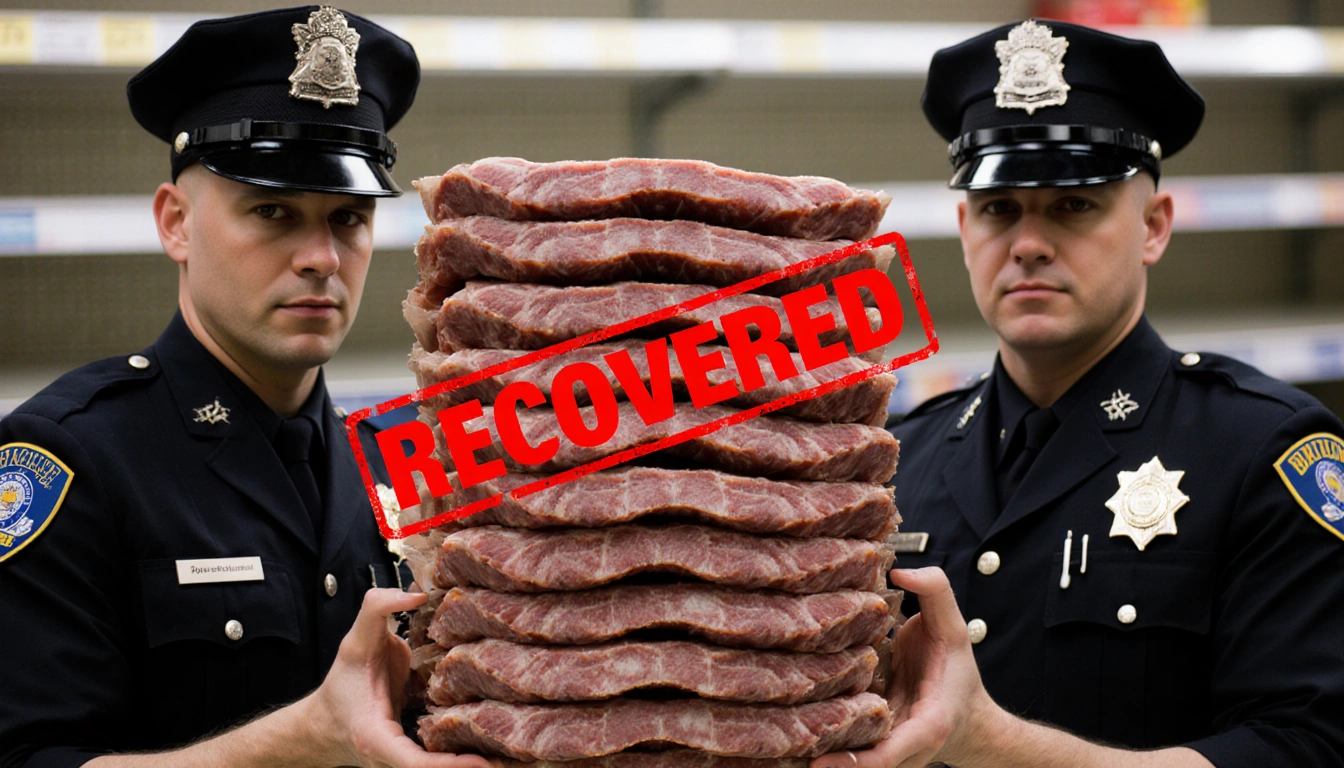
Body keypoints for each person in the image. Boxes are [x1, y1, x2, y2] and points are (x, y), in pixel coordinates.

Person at [813, 19, 1344, 768]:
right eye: (999, 209)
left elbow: (1307, 749)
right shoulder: (899, 461)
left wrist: (990, 743)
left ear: (1154, 226)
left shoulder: (1261, 452)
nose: (1028, 241)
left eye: (1073, 204)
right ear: (965, 227)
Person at [0, 8, 494, 768]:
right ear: (176, 224)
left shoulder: (405, 463)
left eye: (349, 218)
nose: (322, 257)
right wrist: (305, 740)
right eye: (272, 211)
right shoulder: (69, 460)